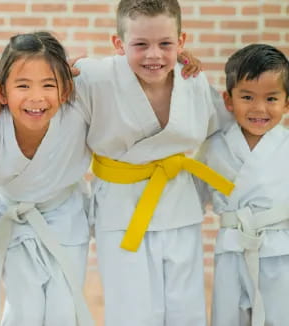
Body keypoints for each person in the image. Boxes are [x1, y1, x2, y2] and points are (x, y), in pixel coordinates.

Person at [72, 0, 234, 324]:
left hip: (178, 205)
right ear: (118, 44)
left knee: (185, 308)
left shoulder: (193, 81)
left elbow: (224, 132)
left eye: (165, 44)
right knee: (130, 309)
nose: (154, 55)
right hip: (120, 210)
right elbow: (43, 86)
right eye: (140, 44)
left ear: (182, 42)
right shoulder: (92, 77)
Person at [0, 31, 93, 326]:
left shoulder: (76, 109)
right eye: (23, 85)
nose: (36, 97)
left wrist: (183, 64)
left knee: (63, 310)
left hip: (66, 216)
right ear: (1, 91)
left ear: (65, 90)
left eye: (48, 85)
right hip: (11, 217)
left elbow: (125, 69)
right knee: (23, 309)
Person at [196, 44, 289, 326]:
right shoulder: (214, 147)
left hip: (280, 252)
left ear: (287, 103)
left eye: (271, 99)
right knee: (228, 317)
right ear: (228, 100)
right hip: (231, 249)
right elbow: (194, 198)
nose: (259, 108)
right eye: (247, 97)